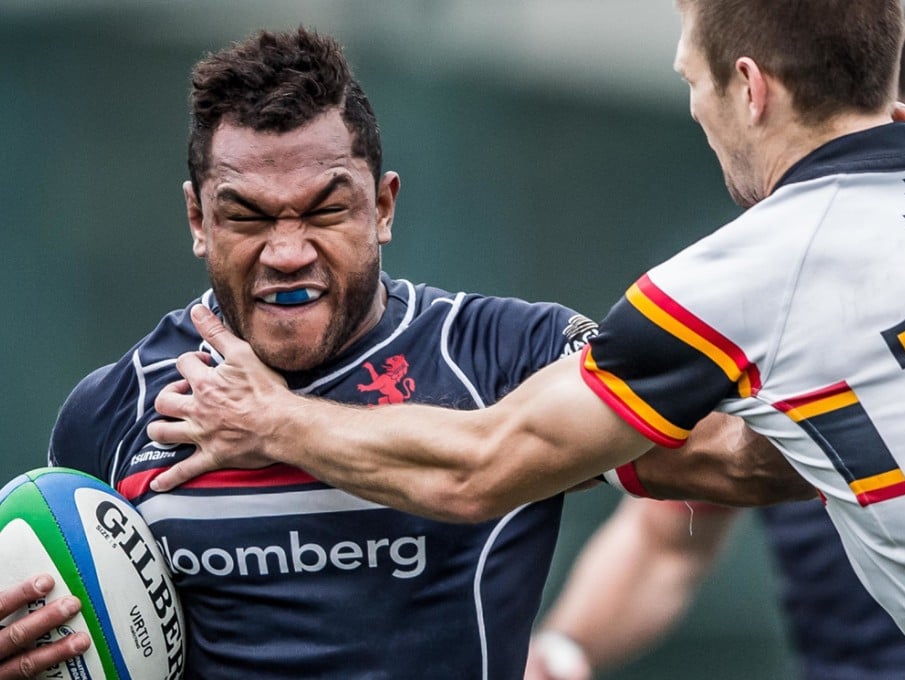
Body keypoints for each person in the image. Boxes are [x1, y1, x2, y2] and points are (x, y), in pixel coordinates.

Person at [143, 0, 905, 676]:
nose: (697, 109)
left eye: (693, 81)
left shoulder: (739, 278)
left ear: (750, 90)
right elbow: (740, 468)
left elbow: (482, 467)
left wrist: (274, 420)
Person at [0, 27, 808, 679]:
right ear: (197, 220)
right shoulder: (113, 409)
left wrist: (848, 373)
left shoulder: (503, 356)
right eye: (247, 217)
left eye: (326, 210)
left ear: (383, 208)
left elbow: (742, 465)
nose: (288, 252)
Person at [526, 11, 905, 679]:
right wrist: (558, 656)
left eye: (696, 81)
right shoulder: (752, 295)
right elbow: (667, 540)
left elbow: (487, 462)